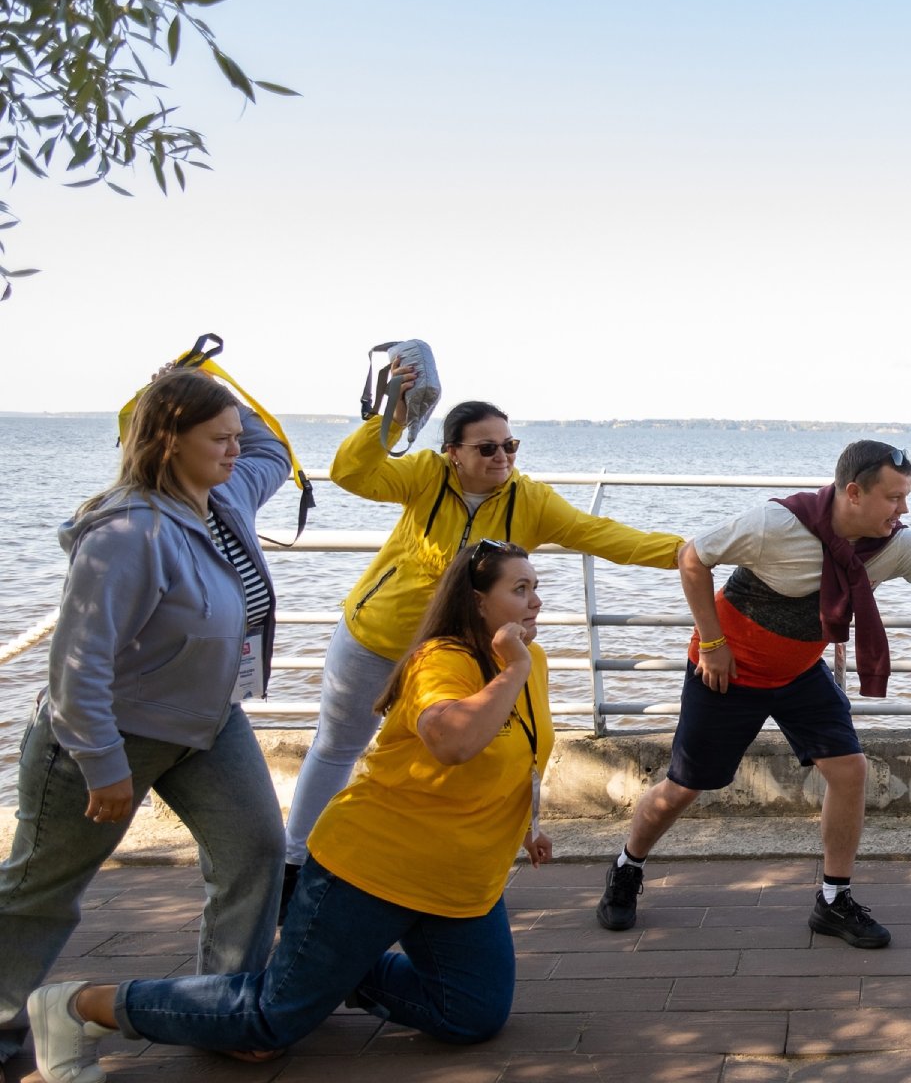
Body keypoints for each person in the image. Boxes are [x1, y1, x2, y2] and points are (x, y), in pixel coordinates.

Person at [26, 541, 555, 1083]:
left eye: (536, 587)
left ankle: (329, 969)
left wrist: (526, 827)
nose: (536, 600)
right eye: (520, 589)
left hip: (458, 882)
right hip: (375, 868)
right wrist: (511, 668)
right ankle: (82, 1006)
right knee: (269, 1019)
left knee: (471, 1013)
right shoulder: (442, 661)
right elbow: (453, 741)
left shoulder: (529, 661)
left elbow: (523, 754)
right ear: (477, 601)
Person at [594, 440, 911, 947]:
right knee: (684, 787)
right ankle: (627, 866)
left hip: (799, 673)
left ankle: (833, 900)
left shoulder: (891, 546)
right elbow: (693, 558)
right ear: (853, 493)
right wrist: (711, 643)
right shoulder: (776, 524)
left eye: (905, 496)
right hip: (727, 672)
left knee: (849, 770)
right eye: (894, 497)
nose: (903, 509)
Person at [281, 381, 683, 905]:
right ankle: (294, 868)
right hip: (375, 638)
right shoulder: (425, 475)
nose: (502, 457)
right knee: (337, 748)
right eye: (487, 447)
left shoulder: (530, 500)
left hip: (457, 657)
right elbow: (351, 473)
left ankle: (428, 876)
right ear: (453, 452)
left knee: (455, 760)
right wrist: (394, 418)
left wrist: (689, 552)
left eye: (510, 445)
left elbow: (603, 535)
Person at [0, 368, 290, 1068]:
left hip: (209, 725)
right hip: (109, 732)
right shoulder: (127, 533)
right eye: (219, 438)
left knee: (256, 854)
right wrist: (103, 765)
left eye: (235, 435)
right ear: (169, 441)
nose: (235, 449)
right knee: (43, 887)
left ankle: (220, 1009)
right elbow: (77, 665)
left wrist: (205, 380)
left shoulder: (226, 497)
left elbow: (273, 453)